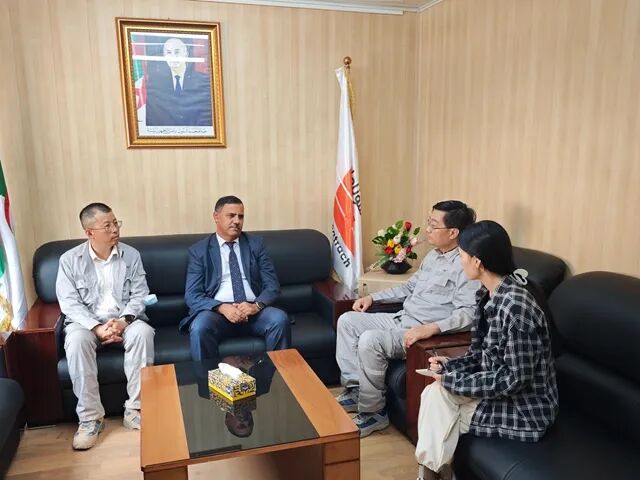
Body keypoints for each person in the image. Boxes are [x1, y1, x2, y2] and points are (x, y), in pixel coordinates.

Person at [415, 221, 559, 480]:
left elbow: (515, 379)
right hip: (498, 394)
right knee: (434, 394)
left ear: (478, 262)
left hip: (525, 409)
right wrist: (451, 366)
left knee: (440, 413)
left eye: (461, 256)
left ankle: (431, 475)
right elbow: (482, 354)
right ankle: (433, 475)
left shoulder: (516, 309)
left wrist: (454, 381)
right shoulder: (488, 295)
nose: (460, 262)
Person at [335, 200, 480, 437]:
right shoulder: (433, 256)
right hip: (402, 318)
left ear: (453, 232)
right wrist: (372, 298)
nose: (427, 230)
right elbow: (408, 288)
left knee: (370, 340)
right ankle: (356, 389)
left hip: (420, 334)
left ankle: (374, 413)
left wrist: (432, 328)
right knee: (348, 321)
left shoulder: (466, 264)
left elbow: (468, 313)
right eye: (428, 222)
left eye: (433, 225)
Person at [56, 203, 154, 450]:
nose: (115, 230)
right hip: (86, 323)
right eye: (107, 226)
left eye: (116, 223)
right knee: (76, 341)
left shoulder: (131, 255)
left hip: (124, 320)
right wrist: (97, 328)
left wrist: (122, 322)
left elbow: (140, 295)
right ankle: (90, 419)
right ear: (90, 232)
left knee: (143, 333)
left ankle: (136, 410)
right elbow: (69, 304)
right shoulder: (69, 260)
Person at [181, 196, 290, 360]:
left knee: (279, 319)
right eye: (231, 216)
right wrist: (222, 307)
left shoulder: (256, 245)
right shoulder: (199, 251)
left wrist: (256, 306)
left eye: (240, 216)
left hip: (253, 311)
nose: (237, 221)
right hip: (217, 315)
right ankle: (208, 376)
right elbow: (192, 295)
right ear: (216, 217)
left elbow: (272, 286)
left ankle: (277, 374)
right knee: (200, 327)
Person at [145, 37, 213, 127]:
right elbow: (152, 118)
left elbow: (207, 117)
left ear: (186, 54)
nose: (173, 57)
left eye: (177, 52)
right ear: (164, 56)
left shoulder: (203, 81)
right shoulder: (156, 84)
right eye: (169, 53)